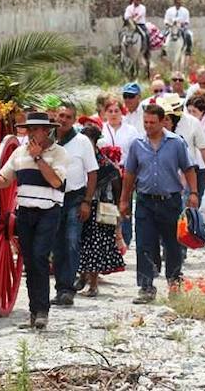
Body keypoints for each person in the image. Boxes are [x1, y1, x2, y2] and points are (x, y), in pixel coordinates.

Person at [0, 112, 68, 330]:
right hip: (25, 213)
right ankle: (34, 312)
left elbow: (56, 181)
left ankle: (42, 310)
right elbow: (4, 179)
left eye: (37, 129)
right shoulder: (18, 153)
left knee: (39, 257)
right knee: (28, 260)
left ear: (47, 131)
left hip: (48, 212)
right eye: (30, 129)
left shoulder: (60, 153)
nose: (32, 133)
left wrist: (38, 158)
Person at [119, 104, 198, 305]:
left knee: (172, 244)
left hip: (170, 201)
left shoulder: (176, 143)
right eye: (145, 122)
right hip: (145, 201)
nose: (148, 126)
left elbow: (188, 168)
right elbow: (129, 173)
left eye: (152, 122)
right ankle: (146, 286)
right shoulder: (137, 144)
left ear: (163, 121)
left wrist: (194, 193)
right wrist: (124, 200)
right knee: (145, 243)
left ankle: (174, 282)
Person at [51, 103, 98, 307]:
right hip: (52, 197)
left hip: (74, 197)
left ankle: (67, 289)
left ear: (74, 119)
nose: (63, 119)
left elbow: (92, 173)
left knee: (71, 241)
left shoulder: (82, 142)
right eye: (61, 115)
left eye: (68, 117)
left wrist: (87, 201)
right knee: (56, 244)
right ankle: (61, 287)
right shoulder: (47, 140)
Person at [76, 125, 126, 297]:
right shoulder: (78, 162)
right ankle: (82, 277)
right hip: (82, 205)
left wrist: (119, 212)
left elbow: (118, 189)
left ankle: (94, 284)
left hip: (101, 210)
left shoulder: (107, 166)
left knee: (95, 246)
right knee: (81, 243)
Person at [159, 93, 205, 200]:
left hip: (187, 171)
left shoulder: (192, 122)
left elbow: (204, 148)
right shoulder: (160, 122)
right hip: (165, 170)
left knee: (184, 205)